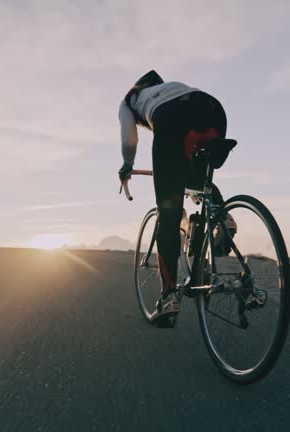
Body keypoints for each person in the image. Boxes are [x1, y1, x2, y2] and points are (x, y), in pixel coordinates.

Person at [118, 70, 230, 321]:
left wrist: (127, 165)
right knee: (199, 181)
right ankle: (223, 218)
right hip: (213, 110)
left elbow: (129, 139)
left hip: (173, 119)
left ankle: (168, 296)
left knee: (168, 211)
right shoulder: (170, 87)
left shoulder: (128, 101)